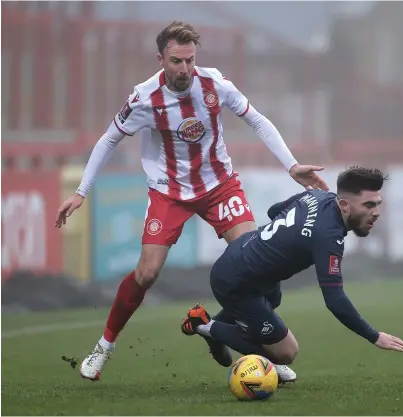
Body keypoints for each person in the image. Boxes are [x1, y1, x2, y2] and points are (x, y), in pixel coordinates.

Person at [55, 20, 328, 382]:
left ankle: (233, 338)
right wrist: (81, 192)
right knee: (147, 273)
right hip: (169, 192)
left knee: (260, 266)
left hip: (220, 186)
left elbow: (257, 120)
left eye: (190, 60)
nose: (184, 69)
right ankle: (104, 347)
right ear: (161, 59)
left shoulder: (214, 83)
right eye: (176, 61)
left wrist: (291, 165)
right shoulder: (143, 98)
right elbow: (108, 140)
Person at [181, 167, 403, 375]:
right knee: (287, 352)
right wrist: (374, 335)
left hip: (242, 257)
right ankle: (204, 325)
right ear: (344, 206)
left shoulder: (317, 195)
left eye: (378, 203)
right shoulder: (328, 236)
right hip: (235, 282)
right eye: (369, 205)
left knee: (273, 299)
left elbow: (274, 211)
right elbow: (335, 300)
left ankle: (221, 329)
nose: (377, 212)